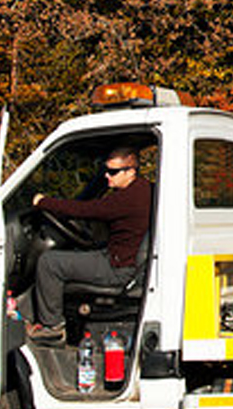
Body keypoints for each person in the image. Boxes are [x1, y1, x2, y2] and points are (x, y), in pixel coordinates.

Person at [21, 147, 153, 343]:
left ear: (131, 171)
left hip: (117, 268)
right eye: (105, 171)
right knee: (71, 256)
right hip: (123, 259)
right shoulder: (144, 189)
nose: (107, 176)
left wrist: (43, 201)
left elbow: (83, 210)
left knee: (49, 262)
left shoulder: (126, 199)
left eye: (113, 172)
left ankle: (52, 328)